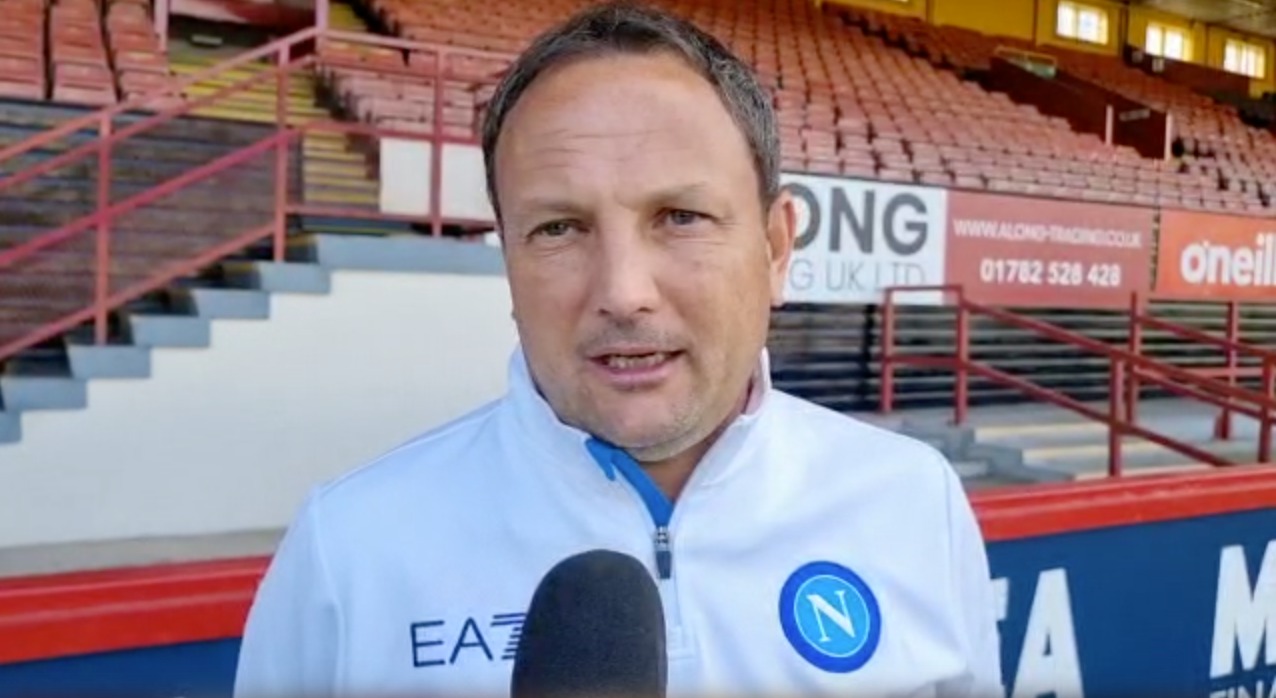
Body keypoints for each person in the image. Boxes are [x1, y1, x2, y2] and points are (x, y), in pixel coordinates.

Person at [232, 2, 1003, 697]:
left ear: (775, 248)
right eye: (559, 228)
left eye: (680, 217)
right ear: (508, 259)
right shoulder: (349, 551)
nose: (624, 292)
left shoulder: (913, 503)